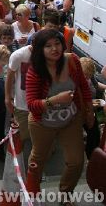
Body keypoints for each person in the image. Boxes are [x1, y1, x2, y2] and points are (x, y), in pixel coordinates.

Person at [26, 28, 94, 201]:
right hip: (43, 123)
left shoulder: (72, 60)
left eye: (57, 43)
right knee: (38, 159)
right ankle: (32, 191)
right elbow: (32, 105)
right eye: (48, 46)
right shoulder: (35, 71)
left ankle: (65, 194)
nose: (54, 49)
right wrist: (54, 100)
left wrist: (89, 110)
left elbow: (84, 87)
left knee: (77, 161)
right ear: (40, 49)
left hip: (70, 120)